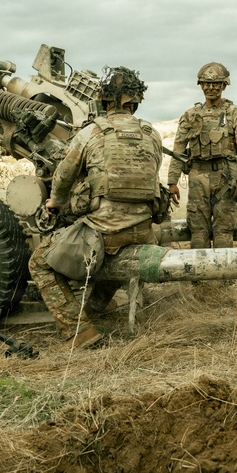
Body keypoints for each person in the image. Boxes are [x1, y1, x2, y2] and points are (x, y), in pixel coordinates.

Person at [28, 66, 165, 350]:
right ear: (136, 101)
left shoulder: (91, 133)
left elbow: (64, 176)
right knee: (115, 254)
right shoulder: (152, 134)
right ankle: (95, 307)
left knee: (40, 262)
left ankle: (78, 331)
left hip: (106, 232)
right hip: (144, 231)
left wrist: (56, 202)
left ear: (104, 100)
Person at [167, 62, 237, 249]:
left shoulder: (235, 114)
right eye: (206, 83)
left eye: (216, 84)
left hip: (226, 179)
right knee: (197, 230)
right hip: (197, 179)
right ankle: (198, 268)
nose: (211, 88)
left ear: (224, 85)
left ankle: (222, 269)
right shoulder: (190, 115)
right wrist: (172, 182)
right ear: (201, 85)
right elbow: (178, 150)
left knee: (224, 230)